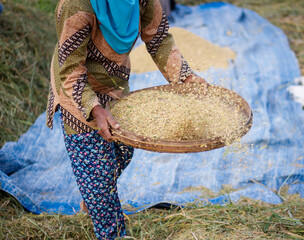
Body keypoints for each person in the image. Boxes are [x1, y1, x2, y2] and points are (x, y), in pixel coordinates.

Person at [46, 0, 205, 239]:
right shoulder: (77, 5)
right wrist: (95, 109)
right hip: (78, 91)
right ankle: (111, 229)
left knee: (123, 152)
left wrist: (185, 77)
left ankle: (95, 199)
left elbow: (159, 39)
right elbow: (70, 70)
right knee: (97, 169)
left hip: (114, 85)